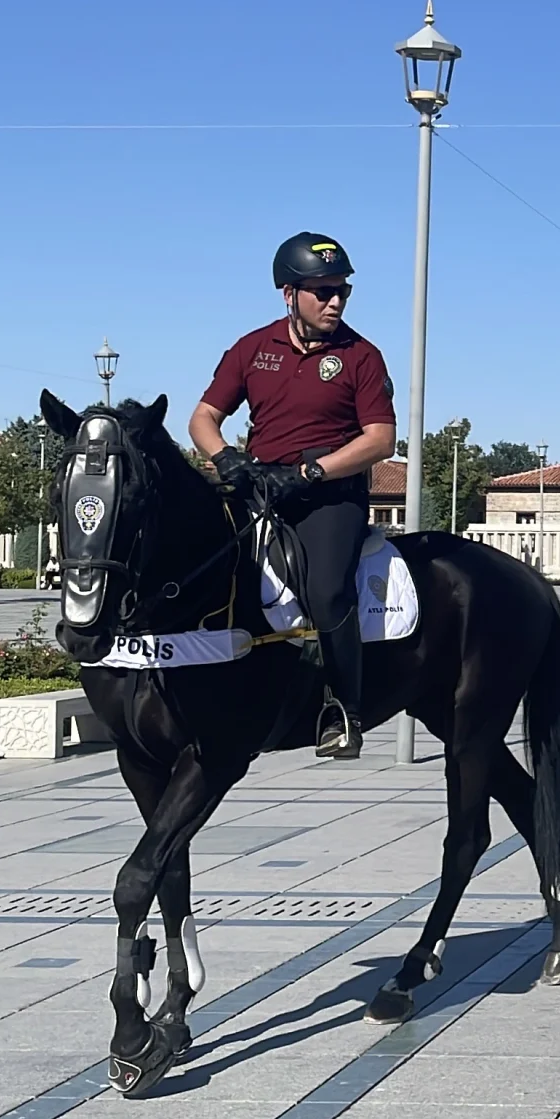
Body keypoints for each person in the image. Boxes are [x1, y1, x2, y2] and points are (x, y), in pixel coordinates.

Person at [193, 232, 398, 760]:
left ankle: (343, 711)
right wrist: (224, 457)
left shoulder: (361, 356)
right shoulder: (252, 349)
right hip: (257, 488)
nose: (335, 302)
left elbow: (379, 439)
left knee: (328, 589)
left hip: (328, 496)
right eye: (323, 291)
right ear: (289, 294)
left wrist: (314, 472)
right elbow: (204, 417)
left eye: (342, 292)